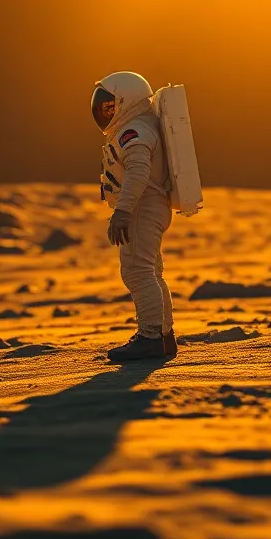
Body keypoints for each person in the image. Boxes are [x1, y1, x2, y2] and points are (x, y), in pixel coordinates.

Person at [91, 71, 177, 362]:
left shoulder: (135, 132)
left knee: (137, 271)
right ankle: (163, 336)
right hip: (151, 204)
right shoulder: (141, 126)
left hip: (143, 206)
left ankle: (150, 338)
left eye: (110, 106)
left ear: (127, 101)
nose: (105, 112)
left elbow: (138, 172)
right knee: (151, 271)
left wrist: (124, 211)